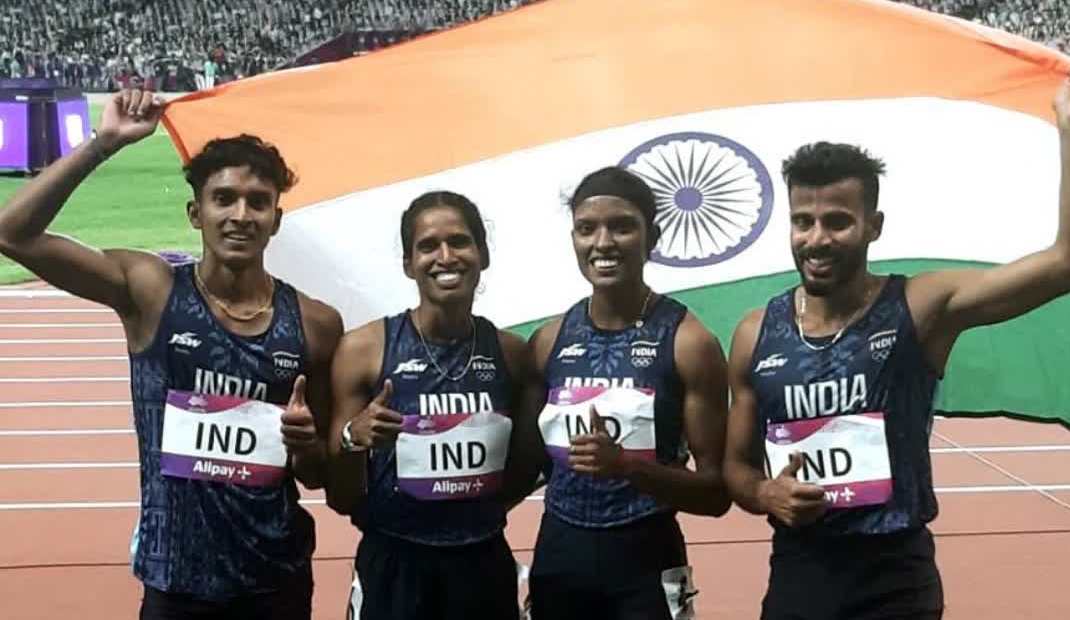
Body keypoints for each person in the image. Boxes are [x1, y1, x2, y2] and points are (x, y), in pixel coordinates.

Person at [722, 57, 1070, 620]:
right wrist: (764, 495)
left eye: (837, 221)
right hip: (801, 570)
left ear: (873, 226)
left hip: (895, 577)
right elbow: (736, 467)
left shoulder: (922, 307)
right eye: (802, 221)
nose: (817, 238)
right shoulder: (756, 332)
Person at [0, 89, 344, 619]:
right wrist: (103, 143)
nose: (240, 214)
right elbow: (12, 234)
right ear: (195, 213)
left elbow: (318, 472)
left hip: (276, 582)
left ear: (276, 218)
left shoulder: (316, 325)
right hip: (175, 584)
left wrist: (306, 446)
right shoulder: (152, 291)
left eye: (258, 201)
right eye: (223, 198)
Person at [324, 190, 543, 620]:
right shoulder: (364, 350)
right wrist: (354, 438)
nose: (446, 256)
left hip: (481, 564)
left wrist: (469, 510)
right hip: (393, 565)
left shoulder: (511, 355)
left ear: (482, 254)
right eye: (427, 246)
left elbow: (521, 469)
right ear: (409, 263)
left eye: (460, 242)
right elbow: (339, 495)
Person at [525, 166, 732, 620]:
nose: (602, 243)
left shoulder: (688, 343)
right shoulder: (549, 341)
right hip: (560, 555)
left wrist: (626, 467)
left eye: (621, 226)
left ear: (651, 236)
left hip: (645, 559)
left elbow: (716, 495)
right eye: (587, 228)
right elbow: (525, 467)